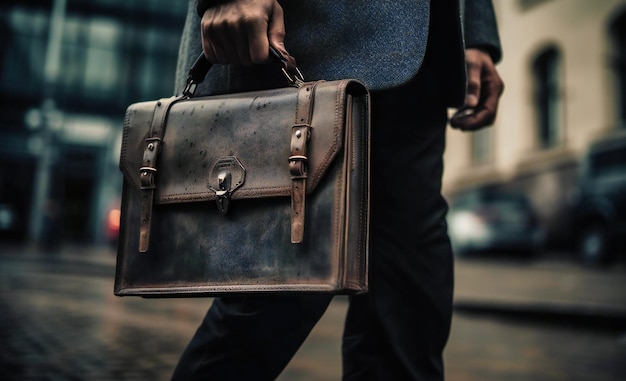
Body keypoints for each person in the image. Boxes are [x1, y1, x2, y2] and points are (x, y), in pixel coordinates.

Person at [171, 0, 504, 380]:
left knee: (409, 309)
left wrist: (474, 35)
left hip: (422, 56)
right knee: (268, 304)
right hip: (306, 41)